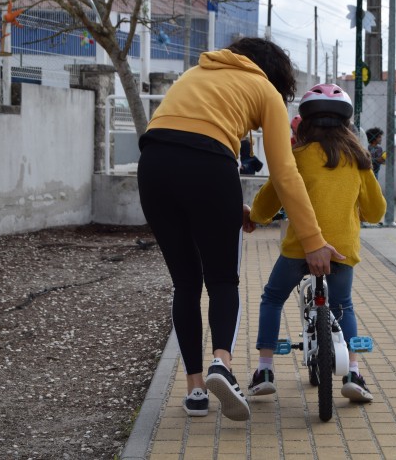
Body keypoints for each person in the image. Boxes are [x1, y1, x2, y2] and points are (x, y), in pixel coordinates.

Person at [137, 37, 344, 421]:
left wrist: (231, 207)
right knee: (221, 280)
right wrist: (314, 240)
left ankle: (195, 390)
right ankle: (222, 364)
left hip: (153, 166)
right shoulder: (263, 88)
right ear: (276, 75)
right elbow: (284, 173)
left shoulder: (194, 74)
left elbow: (182, 140)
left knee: (185, 282)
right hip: (210, 167)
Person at [244, 84, 387, 403]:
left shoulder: (295, 156)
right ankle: (354, 373)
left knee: (272, 298)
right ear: (347, 124)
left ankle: (265, 369)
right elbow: (377, 212)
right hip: (343, 250)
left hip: (300, 249)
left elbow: (268, 202)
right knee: (343, 305)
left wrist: (255, 216)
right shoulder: (359, 159)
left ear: (305, 123)